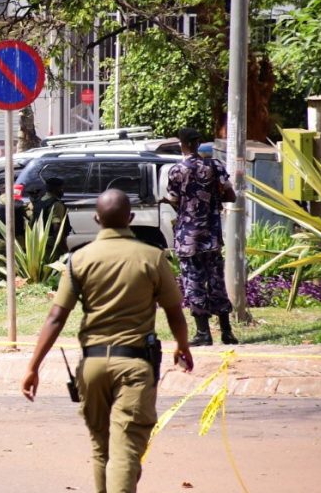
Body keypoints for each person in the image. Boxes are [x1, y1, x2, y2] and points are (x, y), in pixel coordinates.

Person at [21, 189, 194, 493]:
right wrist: (182, 346)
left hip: (92, 367)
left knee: (102, 449)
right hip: (135, 366)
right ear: (130, 218)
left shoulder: (79, 260)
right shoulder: (152, 258)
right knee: (126, 449)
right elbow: (174, 313)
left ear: (97, 218)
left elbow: (55, 318)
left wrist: (33, 367)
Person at [163, 127, 239, 346]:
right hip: (212, 236)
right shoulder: (215, 165)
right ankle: (227, 332)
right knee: (216, 282)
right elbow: (231, 195)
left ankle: (203, 333)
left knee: (194, 282)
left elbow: (175, 199)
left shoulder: (177, 170)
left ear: (183, 144)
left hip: (188, 237)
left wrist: (174, 202)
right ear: (198, 143)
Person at [28, 177, 71, 256]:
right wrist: (65, 250)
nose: (62, 191)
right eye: (61, 188)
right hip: (51, 246)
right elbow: (57, 229)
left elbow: (32, 223)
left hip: (38, 243)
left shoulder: (38, 202)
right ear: (56, 189)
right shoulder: (56, 204)